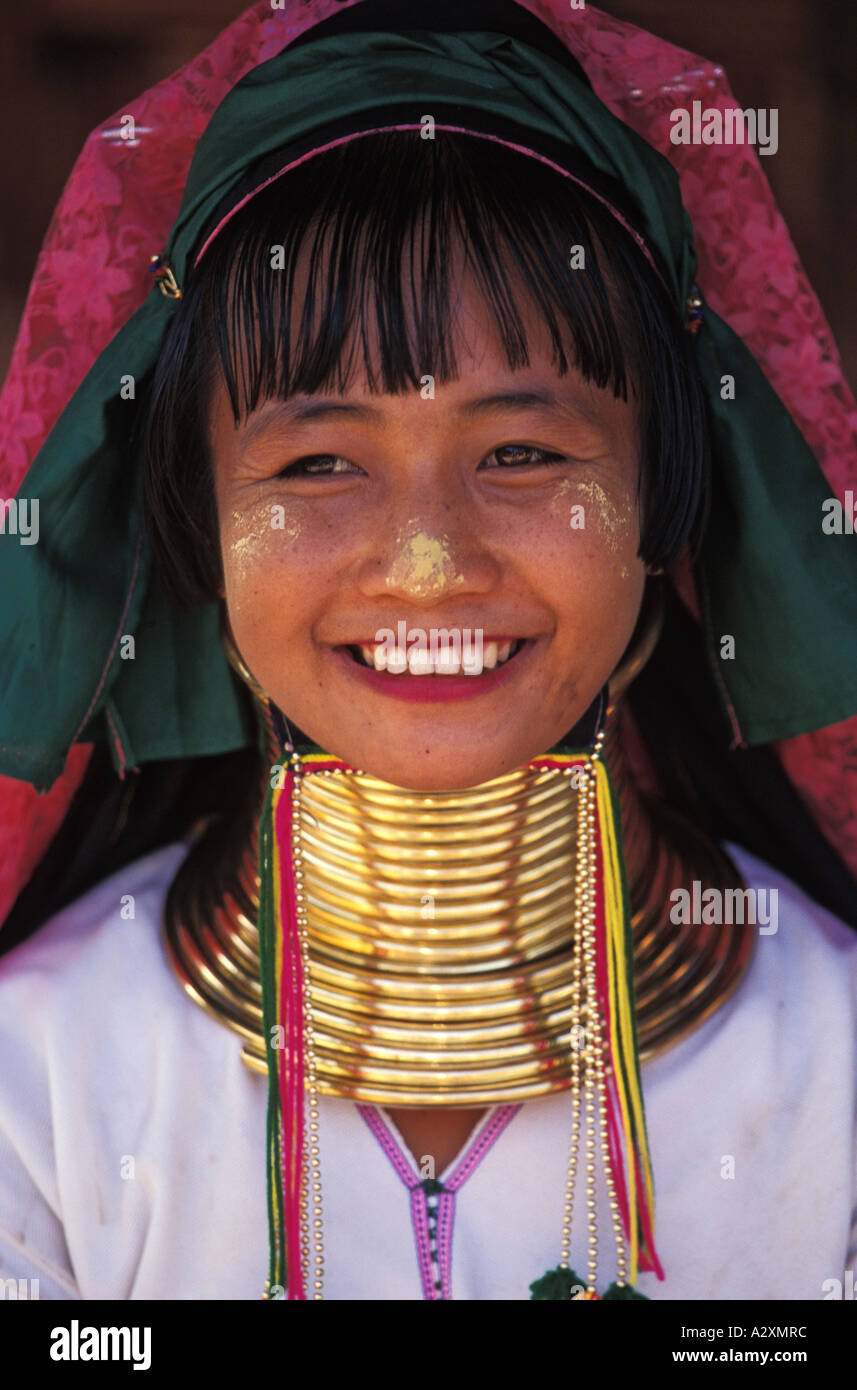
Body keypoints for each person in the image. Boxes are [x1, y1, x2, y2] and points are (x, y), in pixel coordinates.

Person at [0, 0, 855, 1302]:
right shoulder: (37, 1077)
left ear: (666, 504)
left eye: (520, 452)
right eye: (316, 460)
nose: (423, 560)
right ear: (192, 531)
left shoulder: (834, 1062)